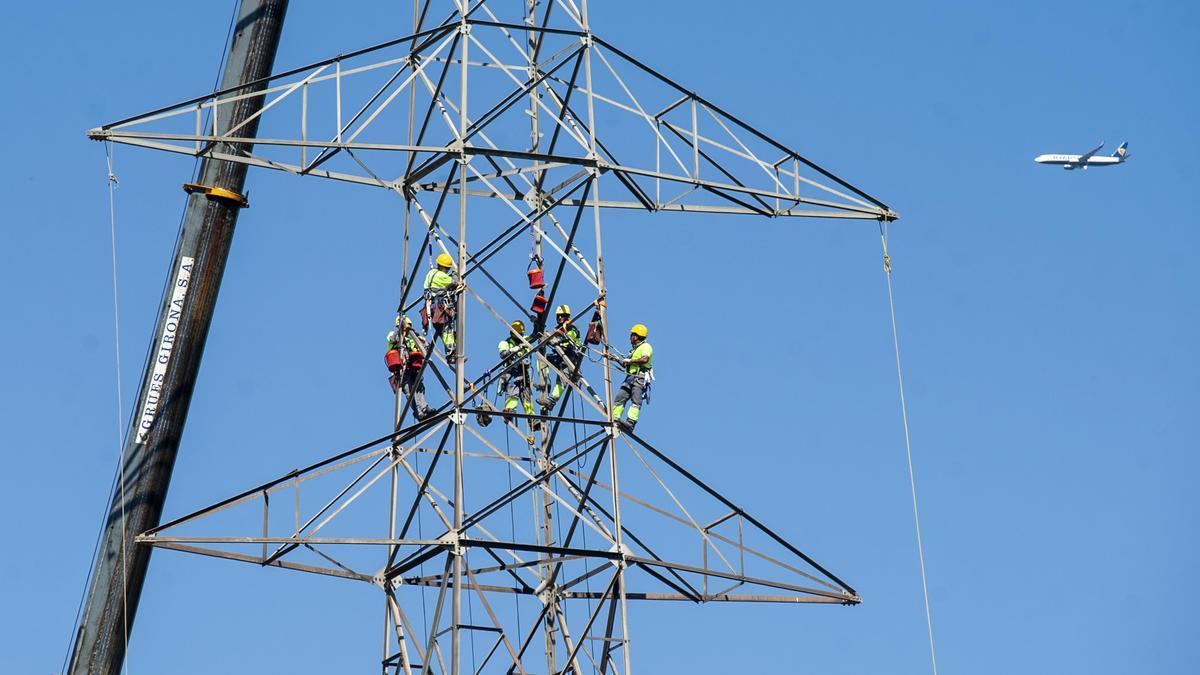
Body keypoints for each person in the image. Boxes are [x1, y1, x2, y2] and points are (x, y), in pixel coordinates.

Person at [537, 304, 583, 412]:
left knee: (562, 379)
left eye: (562, 316)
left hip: (570, 359)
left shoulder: (572, 327)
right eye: (558, 316)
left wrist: (558, 341)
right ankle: (545, 381)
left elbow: (570, 338)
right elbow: (548, 336)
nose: (559, 318)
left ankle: (552, 400)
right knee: (543, 358)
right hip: (560, 357)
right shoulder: (557, 329)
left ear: (567, 316)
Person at [387, 316, 432, 420]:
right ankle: (418, 411)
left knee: (419, 388)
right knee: (409, 391)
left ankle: (424, 408)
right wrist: (400, 330)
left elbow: (423, 350)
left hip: (412, 367)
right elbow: (394, 339)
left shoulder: (411, 339)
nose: (408, 329)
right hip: (401, 370)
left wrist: (423, 342)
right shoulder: (393, 335)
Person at [612, 323, 653, 431]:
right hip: (630, 377)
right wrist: (615, 359)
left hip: (639, 377)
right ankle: (614, 417)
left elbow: (645, 359)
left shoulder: (646, 347)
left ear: (636, 336)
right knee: (620, 397)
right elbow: (626, 364)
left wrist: (631, 360)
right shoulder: (634, 350)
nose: (630, 337)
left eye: (632, 335)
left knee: (636, 401)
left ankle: (630, 423)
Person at [423, 252, 459, 360]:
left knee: (443, 330)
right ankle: (451, 352)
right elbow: (455, 282)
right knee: (446, 328)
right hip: (439, 306)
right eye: (447, 268)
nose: (447, 270)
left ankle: (451, 349)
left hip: (430, 307)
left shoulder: (430, 274)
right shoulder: (441, 276)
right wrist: (455, 274)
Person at [497, 320, 534, 416]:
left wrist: (537, 323)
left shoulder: (525, 340)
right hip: (511, 372)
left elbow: (535, 335)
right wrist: (513, 350)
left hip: (523, 374)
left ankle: (532, 418)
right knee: (512, 391)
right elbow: (503, 354)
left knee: (526, 396)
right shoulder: (505, 343)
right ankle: (510, 410)